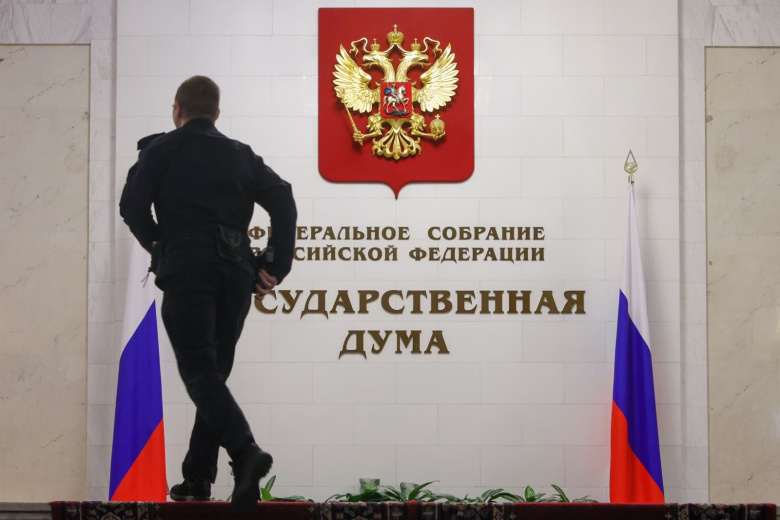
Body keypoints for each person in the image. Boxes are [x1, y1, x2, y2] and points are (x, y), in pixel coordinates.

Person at [119, 75, 297, 514]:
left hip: (189, 272)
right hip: (235, 275)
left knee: (200, 372)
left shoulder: (161, 150)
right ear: (217, 113)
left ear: (177, 110)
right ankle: (198, 477)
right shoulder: (241, 155)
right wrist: (274, 264)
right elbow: (283, 199)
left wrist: (161, 246)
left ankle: (245, 452)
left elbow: (131, 207)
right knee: (213, 374)